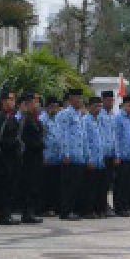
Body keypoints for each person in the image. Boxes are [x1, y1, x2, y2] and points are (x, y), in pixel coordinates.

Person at [0, 90, 24, 225]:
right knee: (4, 187)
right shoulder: (1, 118)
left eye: (13, 100)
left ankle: (8, 212)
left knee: (12, 185)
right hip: (4, 158)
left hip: (13, 158)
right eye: (10, 100)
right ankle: (3, 214)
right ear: (3, 102)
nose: (12, 102)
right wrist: (12, 143)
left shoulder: (12, 118)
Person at [57, 88, 87, 221]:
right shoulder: (65, 114)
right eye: (77, 98)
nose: (80, 101)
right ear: (70, 100)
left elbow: (81, 136)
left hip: (79, 155)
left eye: (81, 98)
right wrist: (65, 153)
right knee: (68, 185)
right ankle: (65, 211)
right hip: (69, 156)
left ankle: (72, 210)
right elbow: (62, 135)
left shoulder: (79, 114)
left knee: (76, 185)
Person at [17, 93, 44, 224]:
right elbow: (24, 140)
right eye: (35, 102)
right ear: (28, 105)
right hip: (28, 158)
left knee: (35, 186)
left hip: (37, 157)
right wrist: (38, 144)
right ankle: (27, 213)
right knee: (28, 186)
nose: (37, 105)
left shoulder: (36, 120)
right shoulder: (25, 120)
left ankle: (31, 211)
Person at [113, 95, 130, 216]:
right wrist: (117, 155)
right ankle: (119, 208)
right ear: (123, 106)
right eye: (129, 105)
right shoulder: (118, 118)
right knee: (121, 184)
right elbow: (116, 138)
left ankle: (126, 206)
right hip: (122, 157)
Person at [83, 96, 105, 218]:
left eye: (100, 106)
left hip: (100, 158)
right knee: (90, 187)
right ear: (90, 107)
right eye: (96, 106)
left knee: (99, 187)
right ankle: (88, 210)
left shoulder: (100, 120)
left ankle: (99, 209)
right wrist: (89, 158)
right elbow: (85, 141)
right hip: (91, 159)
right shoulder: (86, 120)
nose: (98, 109)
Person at [39, 97, 62, 216]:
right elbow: (42, 138)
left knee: (55, 184)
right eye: (52, 106)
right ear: (47, 107)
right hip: (46, 156)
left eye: (56, 106)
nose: (55, 109)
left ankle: (53, 206)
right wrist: (43, 155)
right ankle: (44, 208)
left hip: (56, 157)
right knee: (45, 185)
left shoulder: (57, 119)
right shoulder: (42, 119)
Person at [99, 90, 118, 214]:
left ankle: (106, 204)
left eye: (112, 100)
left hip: (111, 153)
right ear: (103, 101)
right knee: (101, 182)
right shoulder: (99, 115)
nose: (110, 102)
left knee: (109, 182)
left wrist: (117, 154)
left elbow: (115, 136)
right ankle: (101, 205)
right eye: (108, 100)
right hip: (101, 154)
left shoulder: (113, 116)